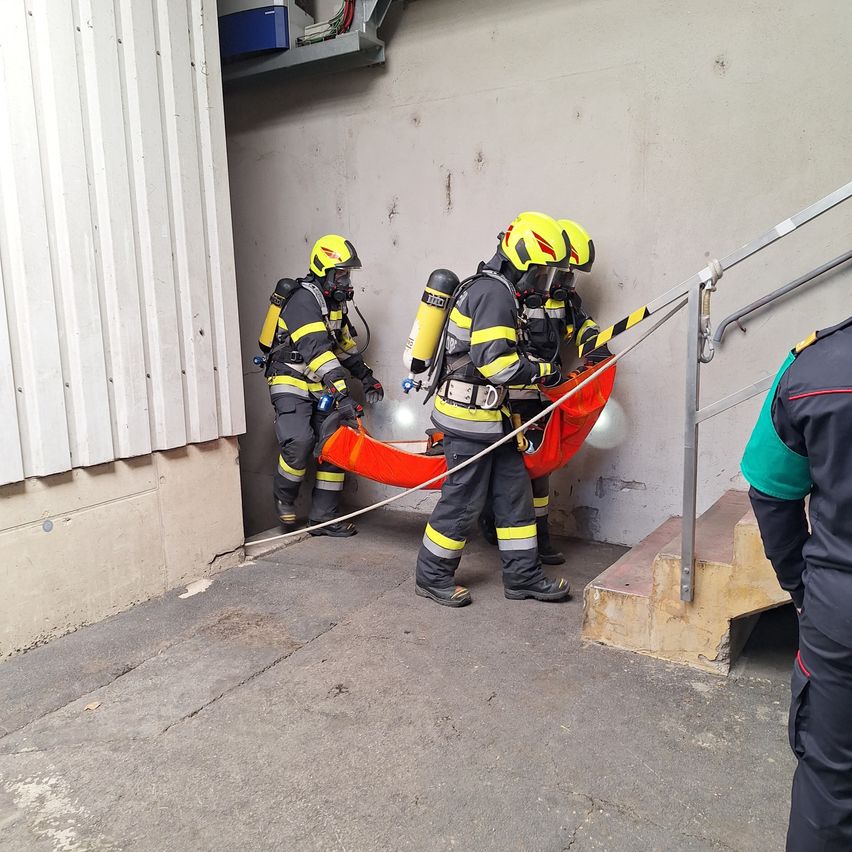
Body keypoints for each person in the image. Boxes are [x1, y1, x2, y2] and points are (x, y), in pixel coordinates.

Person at [414, 211, 573, 607]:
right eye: (539, 271)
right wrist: (544, 372)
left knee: (513, 496)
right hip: (468, 422)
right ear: (521, 261)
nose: (541, 280)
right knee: (463, 500)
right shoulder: (494, 293)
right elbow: (495, 363)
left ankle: (522, 578)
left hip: (492, 422)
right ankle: (431, 576)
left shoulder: (499, 291)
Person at [740, 316, 852, 850]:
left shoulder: (813, 365)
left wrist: (804, 590)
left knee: (831, 788)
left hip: (841, 614)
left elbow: (769, 488)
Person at [479, 218, 611, 564]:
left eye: (569, 274)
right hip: (509, 394)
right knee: (509, 470)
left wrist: (595, 347)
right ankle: (496, 527)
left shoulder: (562, 298)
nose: (563, 281)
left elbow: (579, 325)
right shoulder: (509, 294)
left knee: (540, 469)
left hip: (543, 393)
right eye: (560, 272)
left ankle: (540, 537)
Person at [257, 234, 384, 536]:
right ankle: (285, 498)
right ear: (323, 270)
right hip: (290, 378)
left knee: (333, 444)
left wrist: (367, 378)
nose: (345, 281)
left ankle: (323, 518)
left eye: (347, 274)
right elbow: (317, 350)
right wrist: (342, 396)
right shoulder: (302, 301)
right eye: (340, 274)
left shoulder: (334, 305)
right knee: (299, 441)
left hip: (319, 383)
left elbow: (343, 348)